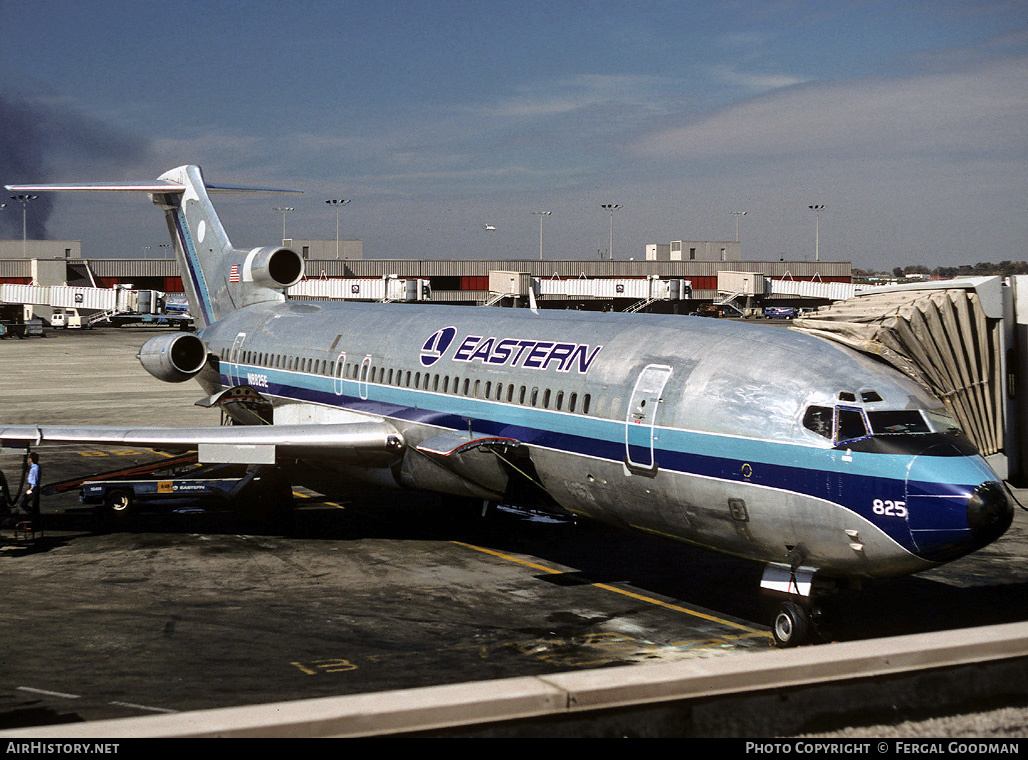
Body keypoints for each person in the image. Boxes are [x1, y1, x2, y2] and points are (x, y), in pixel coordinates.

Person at [19, 452, 40, 522]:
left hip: (33, 488)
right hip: (32, 488)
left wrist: (30, 490)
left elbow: (35, 480)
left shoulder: (35, 468)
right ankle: (34, 516)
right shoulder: (33, 467)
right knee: (34, 505)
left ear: (31, 459)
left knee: (23, 503)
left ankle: (34, 516)